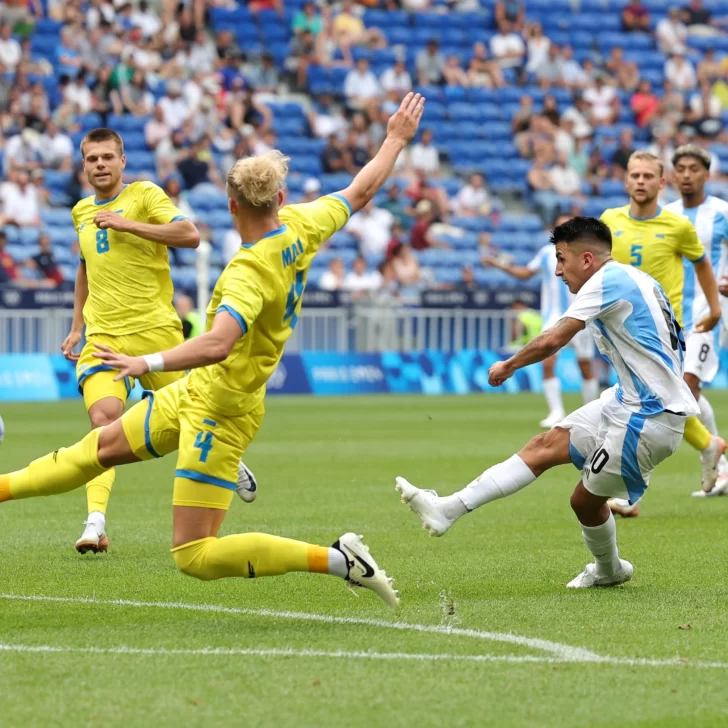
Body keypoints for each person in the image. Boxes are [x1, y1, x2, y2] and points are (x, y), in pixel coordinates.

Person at [0, 92, 426, 609]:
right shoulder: (303, 225)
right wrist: (395, 139)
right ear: (280, 199)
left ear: (231, 205)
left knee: (194, 555)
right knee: (97, 448)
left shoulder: (248, 272)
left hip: (223, 413)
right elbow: (361, 189)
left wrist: (146, 363)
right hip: (197, 393)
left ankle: (340, 559)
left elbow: (219, 343)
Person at [396, 217, 699, 588]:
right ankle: (448, 509)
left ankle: (609, 570)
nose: (557, 271)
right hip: (628, 401)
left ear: (586, 259)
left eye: (561, 259)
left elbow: (553, 339)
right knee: (543, 445)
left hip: (648, 419)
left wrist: (508, 364)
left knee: (584, 502)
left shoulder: (605, 282)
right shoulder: (635, 278)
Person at [59, 128, 254, 553]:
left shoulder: (145, 195)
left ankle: (227, 457)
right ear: (84, 164)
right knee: (103, 424)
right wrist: (77, 326)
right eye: (91, 159)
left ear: (122, 161)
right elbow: (85, 266)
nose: (100, 165)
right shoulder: (80, 212)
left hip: (157, 337)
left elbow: (190, 235)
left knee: (198, 417)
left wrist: (126, 223)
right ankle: (95, 523)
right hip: (103, 340)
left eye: (107, 157)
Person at [601, 151, 723, 511]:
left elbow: (702, 263)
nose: (640, 181)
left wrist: (715, 308)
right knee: (661, 404)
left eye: (647, 176)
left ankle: (627, 493)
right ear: (626, 181)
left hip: (666, 330)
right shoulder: (609, 220)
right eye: (634, 175)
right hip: (620, 330)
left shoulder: (677, 225)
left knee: (649, 404)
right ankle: (708, 445)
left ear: (660, 182)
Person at [484, 215, 599, 428]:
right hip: (553, 317)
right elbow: (526, 273)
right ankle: (556, 411)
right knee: (547, 362)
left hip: (581, 314)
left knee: (585, 365)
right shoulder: (547, 253)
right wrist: (499, 265)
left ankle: (591, 411)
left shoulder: (586, 253)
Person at [661, 146, 728, 497]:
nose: (687, 174)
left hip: (708, 313)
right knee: (682, 392)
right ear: (672, 176)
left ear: (707, 174)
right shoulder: (665, 216)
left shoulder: (722, 213)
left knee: (687, 387)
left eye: (694, 168)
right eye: (681, 168)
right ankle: (721, 463)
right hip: (670, 317)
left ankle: (716, 460)